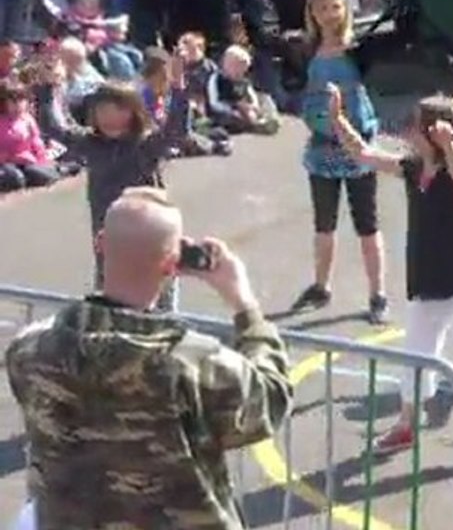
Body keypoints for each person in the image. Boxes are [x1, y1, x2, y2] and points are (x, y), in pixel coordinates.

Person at [5, 186, 293, 528]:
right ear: (173, 265)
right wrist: (244, 303)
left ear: (100, 243)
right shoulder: (193, 361)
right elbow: (270, 400)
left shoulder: (28, 350)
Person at [327, 87, 453, 478]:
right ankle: (406, 425)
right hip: (428, 279)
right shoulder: (413, 168)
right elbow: (364, 154)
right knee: (416, 354)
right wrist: (337, 118)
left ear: (434, 131)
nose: (407, 129)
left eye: (416, 124)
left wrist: (449, 145)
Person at [36, 60, 189, 295]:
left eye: (116, 110)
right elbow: (54, 127)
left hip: (148, 227)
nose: (107, 117)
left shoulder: (144, 144)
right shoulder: (91, 143)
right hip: (108, 227)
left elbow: (175, 133)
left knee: (156, 286)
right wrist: (47, 89)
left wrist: (178, 90)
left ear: (133, 112)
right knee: (109, 285)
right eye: (101, 111)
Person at [292, 0, 387, 323]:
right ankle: (321, 285)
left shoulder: (357, 49)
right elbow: (255, 37)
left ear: (345, 8)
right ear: (312, 13)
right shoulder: (307, 50)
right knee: (323, 226)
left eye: (335, 6)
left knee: (367, 225)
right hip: (321, 150)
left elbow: (401, 30)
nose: (329, 14)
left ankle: (377, 293)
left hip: (356, 148)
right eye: (322, 8)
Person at [0, 78, 59, 192]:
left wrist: (40, 160)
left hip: (27, 162)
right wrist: (10, 158)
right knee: (14, 178)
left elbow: (36, 143)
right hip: (5, 164)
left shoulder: (27, 120)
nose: (18, 105)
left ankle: (59, 169)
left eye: (22, 100)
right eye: (13, 101)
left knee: (41, 174)